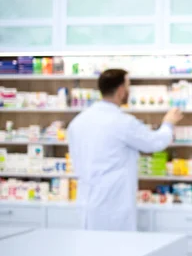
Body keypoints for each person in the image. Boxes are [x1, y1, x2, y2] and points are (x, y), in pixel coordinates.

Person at [67, 69, 183, 231]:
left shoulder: (78, 122)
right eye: (128, 86)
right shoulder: (122, 122)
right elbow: (154, 143)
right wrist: (168, 123)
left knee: (89, 252)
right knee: (116, 253)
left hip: (85, 202)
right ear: (121, 91)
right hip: (112, 205)